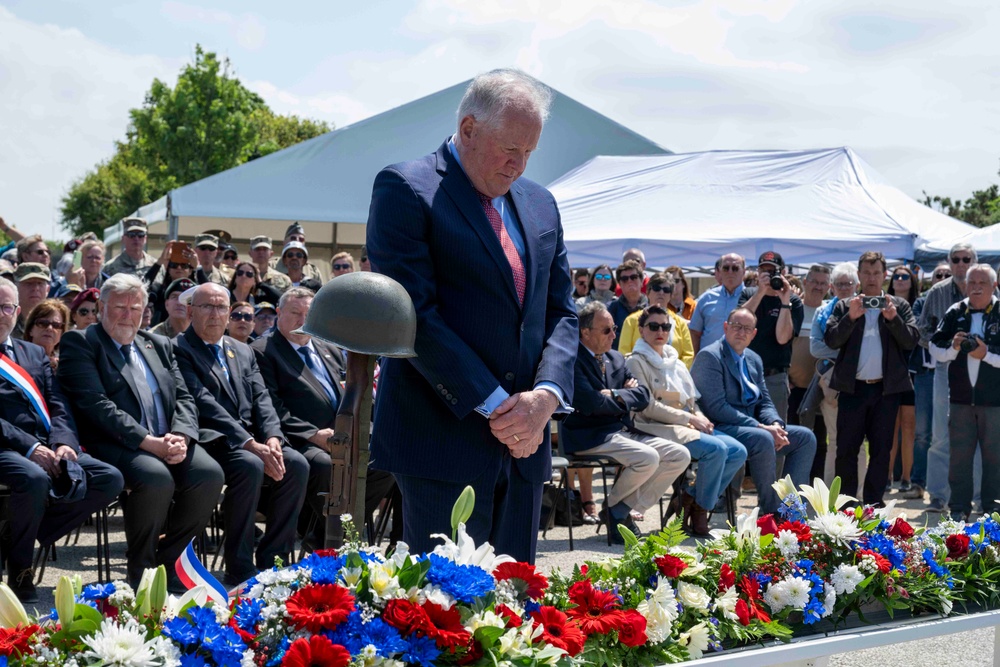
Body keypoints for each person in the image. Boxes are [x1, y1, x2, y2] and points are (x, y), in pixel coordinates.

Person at [365, 68, 577, 563]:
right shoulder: (406, 188)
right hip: (443, 440)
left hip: (525, 446)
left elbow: (562, 311)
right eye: (509, 148)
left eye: (529, 152)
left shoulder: (541, 204)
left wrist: (545, 397)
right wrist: (501, 406)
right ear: (468, 129)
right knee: (445, 617)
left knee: (514, 612)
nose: (518, 164)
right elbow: (414, 314)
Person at [57, 274, 225, 588]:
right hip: (114, 442)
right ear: (101, 308)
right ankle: (143, 570)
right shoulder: (81, 342)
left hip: (169, 438)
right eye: (120, 307)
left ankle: (171, 561)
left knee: (210, 475)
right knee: (155, 478)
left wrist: (182, 436)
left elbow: (184, 396)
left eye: (135, 308)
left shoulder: (157, 344)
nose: (127, 315)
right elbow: (95, 405)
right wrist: (150, 443)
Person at [174, 283, 308, 585]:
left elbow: (263, 399)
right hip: (213, 438)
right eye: (207, 306)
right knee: (250, 465)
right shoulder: (179, 348)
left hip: (251, 439)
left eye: (222, 307)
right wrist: (250, 443)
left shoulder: (242, 350)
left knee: (296, 464)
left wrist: (273, 437)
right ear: (192, 310)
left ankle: (274, 562)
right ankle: (240, 565)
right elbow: (203, 403)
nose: (215, 314)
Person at [0, 278, 124, 602]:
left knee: (109, 478)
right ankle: (20, 569)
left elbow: (58, 403)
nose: (2, 314)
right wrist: (30, 447)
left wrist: (63, 442)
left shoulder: (31, 352)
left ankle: (21, 533)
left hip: (46, 443)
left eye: (7, 307)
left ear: (17, 312)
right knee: (33, 478)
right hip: (6, 447)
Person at [252, 287, 400, 547]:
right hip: (299, 439)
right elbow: (269, 406)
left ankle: (337, 534)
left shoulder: (326, 346)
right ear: (278, 313)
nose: (302, 320)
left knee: (386, 461)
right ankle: (328, 535)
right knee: (324, 466)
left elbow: (351, 389)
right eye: (295, 313)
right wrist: (312, 434)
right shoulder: (264, 351)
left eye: (308, 314)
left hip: (342, 433)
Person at [562, 302, 690, 542]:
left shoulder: (616, 358)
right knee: (648, 458)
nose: (614, 335)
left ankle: (616, 510)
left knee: (679, 455)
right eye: (606, 330)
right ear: (585, 332)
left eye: (614, 328)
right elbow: (591, 404)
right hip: (588, 435)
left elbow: (642, 397)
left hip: (620, 431)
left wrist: (614, 394)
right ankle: (617, 514)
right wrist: (621, 397)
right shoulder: (571, 360)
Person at [625, 305, 746, 536]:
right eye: (654, 326)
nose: (661, 330)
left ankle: (691, 498)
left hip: (684, 425)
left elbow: (692, 401)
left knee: (738, 451)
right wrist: (690, 417)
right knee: (717, 450)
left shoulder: (676, 362)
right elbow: (648, 406)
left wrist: (698, 415)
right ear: (641, 330)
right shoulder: (635, 362)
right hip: (654, 426)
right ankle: (701, 510)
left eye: (666, 326)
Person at [690, 307, 816, 516]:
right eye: (736, 326)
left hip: (753, 427)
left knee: (805, 438)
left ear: (754, 334)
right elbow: (716, 408)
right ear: (725, 327)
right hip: (720, 427)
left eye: (747, 328)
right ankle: (772, 512)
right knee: (763, 439)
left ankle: (793, 510)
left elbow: (764, 401)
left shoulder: (753, 359)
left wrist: (776, 424)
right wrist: (762, 427)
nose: (741, 332)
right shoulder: (710, 357)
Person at [824, 251, 919, 506]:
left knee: (881, 451)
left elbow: (911, 340)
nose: (872, 278)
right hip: (853, 390)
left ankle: (874, 507)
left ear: (884, 275)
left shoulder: (899, 306)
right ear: (859, 275)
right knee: (846, 451)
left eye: (876, 272)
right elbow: (831, 339)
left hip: (885, 392)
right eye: (866, 272)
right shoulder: (845, 305)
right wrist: (851, 317)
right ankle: (845, 508)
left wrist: (893, 319)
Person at [929, 264, 1000, 521]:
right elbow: (934, 346)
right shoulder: (956, 311)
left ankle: (993, 511)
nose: (976, 287)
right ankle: (958, 509)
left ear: (995, 286)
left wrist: (987, 355)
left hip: (994, 402)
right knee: (959, 457)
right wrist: (954, 347)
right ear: (965, 285)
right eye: (972, 283)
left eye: (982, 283)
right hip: (960, 401)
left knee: (995, 458)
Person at [917, 242, 980, 513]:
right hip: (945, 369)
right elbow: (922, 331)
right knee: (941, 435)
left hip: (982, 368)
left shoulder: (988, 288)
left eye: (967, 259)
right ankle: (938, 496)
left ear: (974, 262)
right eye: (956, 259)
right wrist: (945, 347)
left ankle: (980, 498)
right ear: (949, 261)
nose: (961, 264)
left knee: (979, 434)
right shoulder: (937, 292)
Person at [809, 262, 861, 483]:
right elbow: (815, 348)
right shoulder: (822, 312)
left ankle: (859, 495)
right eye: (839, 284)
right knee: (834, 438)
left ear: (857, 285)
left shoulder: (867, 309)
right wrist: (848, 353)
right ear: (832, 287)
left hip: (861, 381)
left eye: (848, 284)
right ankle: (832, 495)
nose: (844, 288)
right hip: (831, 381)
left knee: (858, 440)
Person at [737, 251, 804, 421]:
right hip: (746, 374)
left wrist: (784, 302)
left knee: (776, 430)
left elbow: (782, 338)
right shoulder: (749, 294)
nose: (768, 275)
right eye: (763, 271)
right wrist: (760, 292)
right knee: (745, 426)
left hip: (774, 376)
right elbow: (738, 323)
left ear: (783, 273)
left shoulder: (793, 301)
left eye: (772, 271)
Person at [787, 264, 831, 478]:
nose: (818, 286)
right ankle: (792, 486)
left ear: (829, 286)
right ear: (804, 282)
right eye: (814, 281)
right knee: (792, 439)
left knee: (820, 440)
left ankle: (817, 487)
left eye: (823, 283)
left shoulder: (830, 311)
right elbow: (781, 344)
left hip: (822, 387)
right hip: (793, 387)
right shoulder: (794, 308)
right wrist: (785, 378)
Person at [886, 265, 920, 495]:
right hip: (887, 372)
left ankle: (906, 477)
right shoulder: (880, 302)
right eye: (896, 276)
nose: (899, 279)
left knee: (909, 426)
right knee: (889, 426)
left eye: (904, 276)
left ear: (912, 281)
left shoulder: (918, 305)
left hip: (913, 371)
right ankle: (887, 476)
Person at [617, 272, 695, 367]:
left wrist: (674, 371)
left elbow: (688, 354)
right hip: (641, 373)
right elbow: (624, 353)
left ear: (670, 296)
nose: (661, 293)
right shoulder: (631, 320)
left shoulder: (681, 323)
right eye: (657, 288)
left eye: (666, 290)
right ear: (648, 292)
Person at [690, 253, 746, 354]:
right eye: (726, 268)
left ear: (744, 272)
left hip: (740, 360)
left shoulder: (752, 297)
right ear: (719, 271)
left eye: (735, 268)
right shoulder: (706, 298)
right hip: (709, 361)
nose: (730, 272)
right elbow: (695, 332)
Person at [143, 240, 197, 326]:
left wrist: (198, 267)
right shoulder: (160, 291)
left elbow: (211, 294)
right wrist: (160, 261)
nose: (179, 268)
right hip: (162, 334)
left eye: (184, 266)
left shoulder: (197, 292)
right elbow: (142, 287)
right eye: (174, 265)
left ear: (190, 271)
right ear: (168, 268)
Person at [607, 260, 647, 349]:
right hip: (618, 359)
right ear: (620, 284)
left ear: (641, 280)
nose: (629, 281)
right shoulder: (611, 309)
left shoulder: (651, 308)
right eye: (624, 279)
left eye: (633, 277)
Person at [23, 299, 69, 370]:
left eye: (56, 325)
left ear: (62, 333)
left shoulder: (66, 366)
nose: (49, 328)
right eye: (43, 323)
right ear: (30, 329)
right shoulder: (16, 358)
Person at [13, 262, 51, 339]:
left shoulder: (55, 322)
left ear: (47, 290)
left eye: (40, 283)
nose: (35, 288)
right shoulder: (7, 319)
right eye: (29, 283)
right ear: (15, 288)